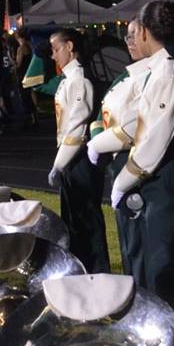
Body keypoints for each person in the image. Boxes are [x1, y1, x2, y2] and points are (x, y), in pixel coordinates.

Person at [98, 2, 174, 346]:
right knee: (147, 279)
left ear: (143, 31)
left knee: (166, 285)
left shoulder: (167, 73)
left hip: (164, 185)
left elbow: (152, 142)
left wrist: (121, 183)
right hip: (154, 184)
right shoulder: (157, 69)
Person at [44, 28, 108, 273]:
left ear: (69, 47)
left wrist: (59, 164)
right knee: (74, 221)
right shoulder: (69, 79)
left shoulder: (79, 80)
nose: (53, 55)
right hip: (71, 158)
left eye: (56, 49)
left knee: (87, 221)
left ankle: (96, 274)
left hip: (80, 159)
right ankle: (82, 273)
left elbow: (77, 128)